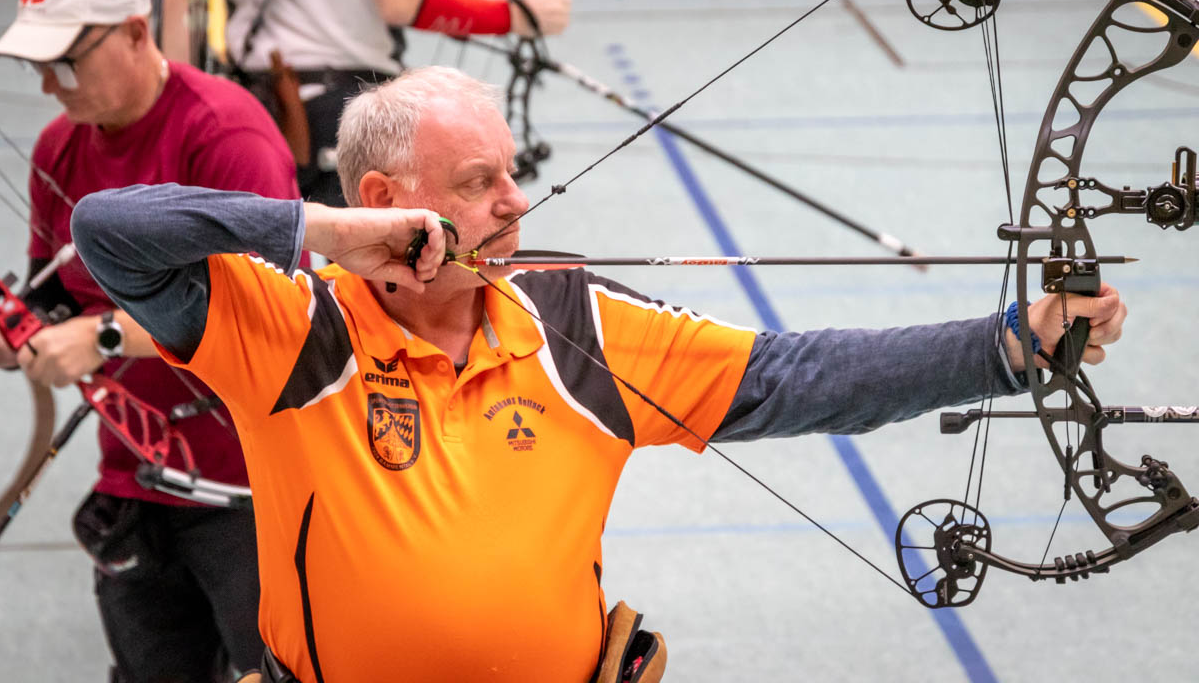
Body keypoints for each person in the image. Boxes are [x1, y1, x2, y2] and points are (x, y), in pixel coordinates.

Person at [70, 66, 1127, 682]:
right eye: (480, 182)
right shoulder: (292, 328)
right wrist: (330, 232)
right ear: (389, 199)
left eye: (512, 174)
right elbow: (110, 231)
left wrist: (1013, 343)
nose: (516, 203)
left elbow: (797, 376)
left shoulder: (575, 323)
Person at [0, 0, 302, 682]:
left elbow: (272, 312)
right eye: (39, 67)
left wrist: (103, 336)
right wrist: (23, 331)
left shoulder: (226, 135)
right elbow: (55, 295)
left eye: (66, 63)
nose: (50, 84)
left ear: (137, 32)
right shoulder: (59, 146)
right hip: (136, 472)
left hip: (247, 483)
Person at [160, 0, 572, 207]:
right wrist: (512, 16)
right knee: (372, 275)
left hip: (256, 107)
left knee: (263, 272)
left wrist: (176, 111)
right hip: (356, 105)